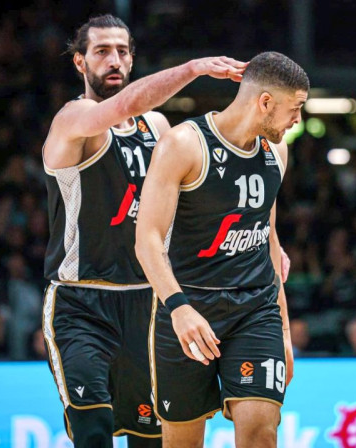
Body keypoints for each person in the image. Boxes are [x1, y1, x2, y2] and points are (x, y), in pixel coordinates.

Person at [40, 13, 247, 448]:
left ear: (132, 60)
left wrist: (259, 234)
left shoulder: (156, 127)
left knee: (150, 441)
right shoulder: (74, 119)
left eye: (121, 51)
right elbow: (124, 106)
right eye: (101, 52)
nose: (113, 60)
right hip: (82, 303)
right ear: (80, 63)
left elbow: (188, 199)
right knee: (92, 432)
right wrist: (192, 69)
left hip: (149, 303)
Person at [134, 51, 308, 448]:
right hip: (189, 307)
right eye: (294, 109)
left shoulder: (276, 152)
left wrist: (282, 328)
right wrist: (177, 307)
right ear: (265, 102)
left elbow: (268, 237)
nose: (298, 120)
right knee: (182, 442)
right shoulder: (182, 144)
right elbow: (147, 239)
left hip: (255, 310)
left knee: (261, 432)